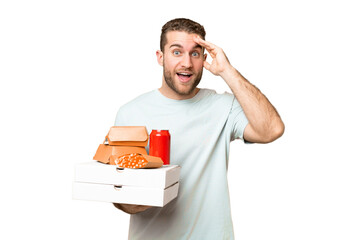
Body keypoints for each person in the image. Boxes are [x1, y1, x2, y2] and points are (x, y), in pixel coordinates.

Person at [113, 18, 284, 240]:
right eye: (176, 52)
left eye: (195, 54)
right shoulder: (130, 112)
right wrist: (134, 201)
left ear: (204, 59)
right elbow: (119, 191)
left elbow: (271, 130)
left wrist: (227, 71)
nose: (186, 63)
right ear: (160, 57)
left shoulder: (223, 107)